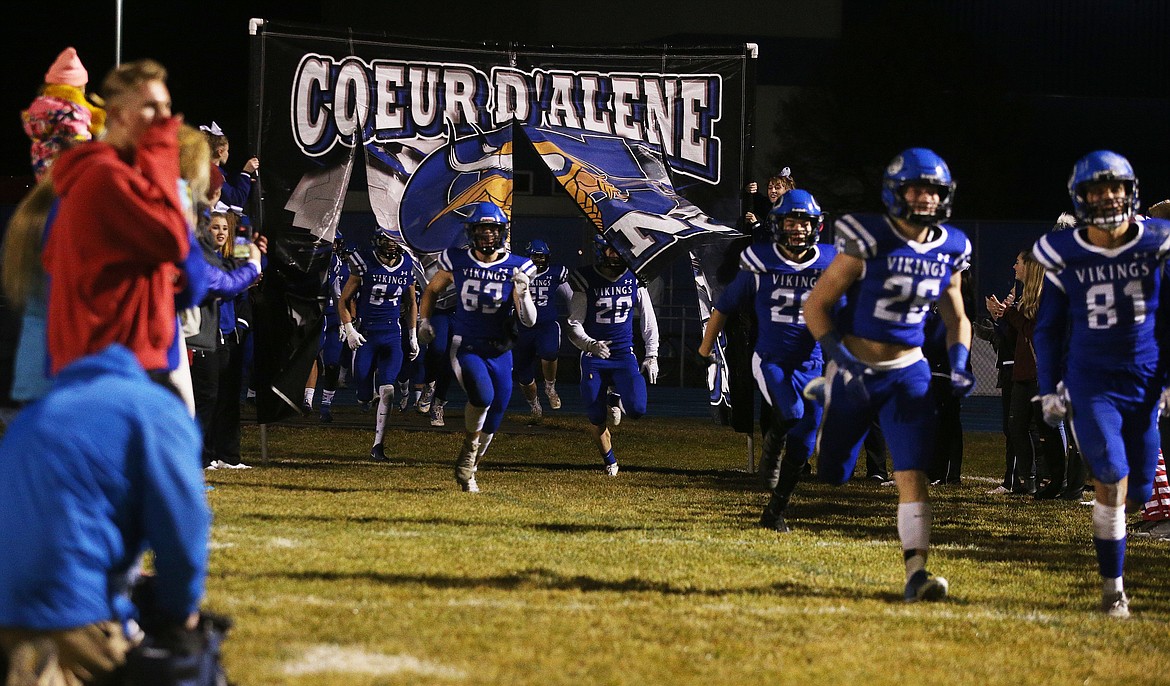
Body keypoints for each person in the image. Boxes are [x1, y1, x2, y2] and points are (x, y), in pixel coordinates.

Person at [802, 148, 973, 603]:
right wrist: (840, 357)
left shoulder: (951, 245)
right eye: (915, 188)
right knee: (834, 473)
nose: (924, 198)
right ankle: (829, 405)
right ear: (895, 192)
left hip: (909, 370)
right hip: (855, 369)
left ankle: (916, 573)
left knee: (912, 470)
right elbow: (815, 305)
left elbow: (956, 315)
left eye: (932, 190)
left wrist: (958, 362)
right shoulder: (868, 237)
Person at [0, 343, 210, 684]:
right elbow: (183, 535)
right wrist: (180, 613)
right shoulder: (154, 411)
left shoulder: (36, 414)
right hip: (65, 614)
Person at [1031, 150, 1170, 618]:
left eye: (1114, 188)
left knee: (1140, 493)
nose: (1106, 197)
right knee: (1110, 472)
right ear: (1081, 197)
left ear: (1129, 192)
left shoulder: (1157, 242)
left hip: (1145, 383)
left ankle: (1118, 545)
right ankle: (1114, 590)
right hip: (1091, 383)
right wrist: (1050, 386)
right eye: (1096, 190)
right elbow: (1048, 328)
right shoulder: (1064, 252)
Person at [42, 58, 189, 378]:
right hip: (112, 361)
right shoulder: (106, 177)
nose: (166, 119)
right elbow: (174, 240)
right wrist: (163, 152)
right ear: (119, 115)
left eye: (167, 106)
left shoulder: (109, 173)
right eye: (151, 107)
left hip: (116, 356)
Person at [698, 190, 835, 529]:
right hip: (771, 359)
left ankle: (775, 512)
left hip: (812, 366)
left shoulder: (830, 262)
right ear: (778, 224)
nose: (799, 228)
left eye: (804, 221)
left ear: (816, 225)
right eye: (792, 221)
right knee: (791, 412)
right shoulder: (759, 262)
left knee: (804, 446)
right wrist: (704, 349)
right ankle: (771, 450)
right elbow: (723, 308)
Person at [419, 202, 537, 492]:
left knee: (498, 408)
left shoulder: (517, 266)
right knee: (483, 396)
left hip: (500, 349)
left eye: (493, 230)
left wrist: (524, 293)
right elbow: (432, 289)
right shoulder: (456, 260)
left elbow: (528, 321)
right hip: (467, 344)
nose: (487, 236)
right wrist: (424, 321)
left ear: (502, 232)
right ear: (471, 232)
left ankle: (469, 467)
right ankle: (470, 450)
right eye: (482, 230)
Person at [567, 236, 660, 476]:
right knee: (595, 415)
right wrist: (590, 345)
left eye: (621, 250)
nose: (617, 255)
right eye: (612, 250)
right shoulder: (586, 278)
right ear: (601, 250)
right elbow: (574, 323)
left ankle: (615, 395)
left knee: (637, 409)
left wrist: (652, 354)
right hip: (594, 356)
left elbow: (648, 320)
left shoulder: (636, 278)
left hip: (623, 354)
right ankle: (610, 461)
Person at [988, 252, 1071, 499]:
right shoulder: (1024, 298)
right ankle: (1030, 480)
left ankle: (1059, 480)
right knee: (1015, 427)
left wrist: (1010, 313)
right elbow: (1016, 336)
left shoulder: (1045, 296)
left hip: (1041, 372)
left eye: (1018, 262)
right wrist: (1000, 317)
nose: (1014, 266)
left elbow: (1035, 331)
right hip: (1023, 372)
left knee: (1049, 428)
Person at [189, 210, 264, 470]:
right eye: (215, 228)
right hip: (205, 339)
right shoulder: (205, 261)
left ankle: (229, 456)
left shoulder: (228, 259)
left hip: (229, 337)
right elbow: (233, 281)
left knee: (230, 398)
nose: (220, 232)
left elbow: (241, 275)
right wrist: (249, 272)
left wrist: (247, 244)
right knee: (207, 398)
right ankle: (203, 455)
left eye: (224, 228)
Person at [340, 228, 419, 461]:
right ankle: (364, 395)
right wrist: (349, 328)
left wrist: (412, 334)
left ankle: (378, 446)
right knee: (363, 389)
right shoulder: (364, 263)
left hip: (392, 331)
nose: (392, 244)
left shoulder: (408, 265)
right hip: (367, 333)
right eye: (387, 239)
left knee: (388, 390)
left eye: (395, 240)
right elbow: (344, 300)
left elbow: (412, 302)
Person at [514, 238, 571, 420]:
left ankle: (550, 386)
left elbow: (569, 296)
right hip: (522, 328)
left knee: (549, 352)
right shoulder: (518, 275)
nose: (539, 260)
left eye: (542, 257)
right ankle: (534, 404)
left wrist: (576, 317)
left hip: (546, 324)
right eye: (535, 257)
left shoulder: (556, 273)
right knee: (523, 373)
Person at [201, 121, 258, 211]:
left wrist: (244, 180)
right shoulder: (210, 172)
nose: (228, 154)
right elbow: (236, 200)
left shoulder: (214, 171)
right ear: (220, 152)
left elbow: (228, 185)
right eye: (227, 150)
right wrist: (246, 173)